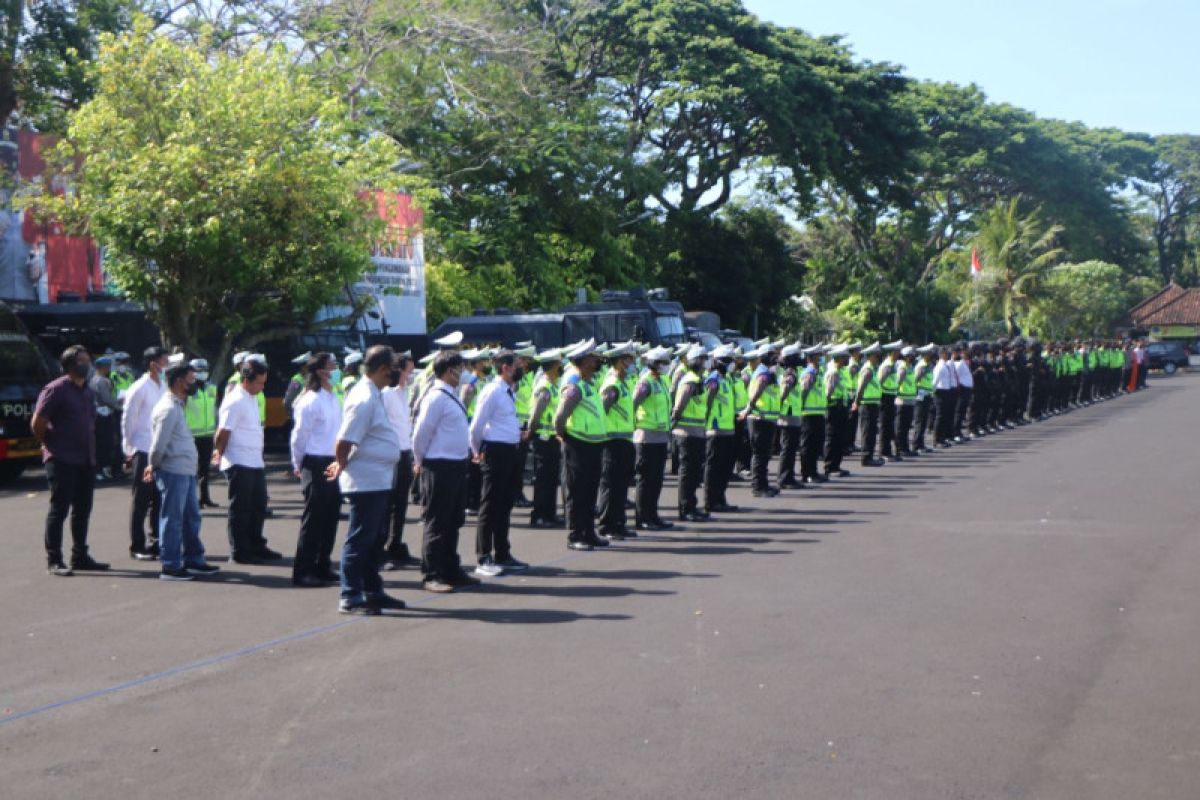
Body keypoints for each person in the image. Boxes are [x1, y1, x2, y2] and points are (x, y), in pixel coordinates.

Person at [326, 345, 406, 615]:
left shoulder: (374, 393)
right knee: (360, 539)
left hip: (378, 479)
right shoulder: (363, 397)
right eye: (395, 367)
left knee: (374, 540)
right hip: (366, 481)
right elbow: (344, 440)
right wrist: (342, 463)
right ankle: (350, 595)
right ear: (384, 369)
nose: (398, 372)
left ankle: (373, 590)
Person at [32, 345, 109, 576]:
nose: (87, 365)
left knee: (83, 510)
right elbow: (38, 423)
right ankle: (55, 559)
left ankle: (80, 555)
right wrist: (49, 444)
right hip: (61, 458)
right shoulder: (55, 389)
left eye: (88, 360)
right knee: (59, 509)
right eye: (82, 361)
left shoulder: (87, 390)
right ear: (69, 365)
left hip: (85, 459)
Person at [146, 361, 221, 581]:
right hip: (173, 471)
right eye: (190, 379)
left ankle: (193, 560)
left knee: (191, 517)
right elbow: (158, 446)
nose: (194, 382)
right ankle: (170, 566)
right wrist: (154, 465)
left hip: (185, 470)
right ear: (179, 381)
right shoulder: (168, 408)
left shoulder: (178, 405)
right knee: (173, 518)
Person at [413, 350, 479, 592]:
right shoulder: (436, 397)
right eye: (459, 368)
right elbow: (421, 434)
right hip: (438, 465)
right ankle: (432, 574)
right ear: (448, 371)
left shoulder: (451, 394)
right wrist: (419, 460)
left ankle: (451, 568)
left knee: (453, 521)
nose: (463, 372)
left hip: (455, 465)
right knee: (437, 521)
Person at [213, 357, 280, 564]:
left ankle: (256, 545)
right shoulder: (235, 400)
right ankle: (240, 551)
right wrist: (218, 453)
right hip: (238, 460)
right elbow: (223, 432)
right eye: (259, 382)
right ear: (247, 380)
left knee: (259, 505)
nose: (262, 386)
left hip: (255, 460)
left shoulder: (251, 397)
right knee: (240, 508)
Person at [468, 349, 529, 575]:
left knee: (505, 505)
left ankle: (503, 553)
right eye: (516, 365)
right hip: (495, 453)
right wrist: (476, 451)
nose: (520, 369)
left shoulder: (507, 391)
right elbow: (476, 426)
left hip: (510, 452)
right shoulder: (492, 391)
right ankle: (484, 557)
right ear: (505, 368)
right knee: (490, 506)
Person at [289, 352, 343, 587]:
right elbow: (299, 437)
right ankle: (303, 570)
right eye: (332, 366)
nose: (336, 369)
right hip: (315, 461)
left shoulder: (332, 397)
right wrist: (298, 463)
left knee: (330, 517)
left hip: (333, 461)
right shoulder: (309, 400)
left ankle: (323, 565)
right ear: (321, 371)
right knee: (314, 519)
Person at [554, 339, 609, 551]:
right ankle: (575, 535)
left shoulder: (588, 385)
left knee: (590, 490)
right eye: (593, 358)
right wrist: (563, 436)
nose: (597, 361)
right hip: (578, 444)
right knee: (577, 492)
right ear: (585, 361)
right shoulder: (575, 387)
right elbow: (559, 418)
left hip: (593, 445)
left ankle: (589, 532)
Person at [122, 346, 168, 560]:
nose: (167, 365)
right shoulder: (139, 387)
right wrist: (129, 449)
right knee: (141, 499)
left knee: (159, 499)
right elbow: (128, 419)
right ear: (153, 363)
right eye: (164, 360)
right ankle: (137, 546)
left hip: (160, 449)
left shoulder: (164, 385)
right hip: (142, 448)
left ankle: (157, 541)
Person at [380, 351, 419, 571]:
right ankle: (382, 550)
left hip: (404, 452)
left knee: (401, 503)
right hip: (390, 453)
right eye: (408, 371)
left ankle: (395, 544)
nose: (411, 375)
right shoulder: (387, 394)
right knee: (387, 504)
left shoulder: (404, 393)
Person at [597, 342, 638, 539]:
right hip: (612, 442)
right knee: (611, 485)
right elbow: (602, 410)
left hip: (624, 440)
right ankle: (607, 525)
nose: (633, 362)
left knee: (621, 485)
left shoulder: (623, 382)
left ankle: (619, 523)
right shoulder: (612, 384)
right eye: (629, 359)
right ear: (620, 362)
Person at [632, 346, 674, 531]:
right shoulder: (645, 382)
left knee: (657, 479)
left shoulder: (662, 381)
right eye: (662, 362)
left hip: (660, 436)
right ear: (653, 364)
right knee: (646, 480)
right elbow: (633, 405)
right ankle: (643, 517)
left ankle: (653, 514)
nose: (666, 365)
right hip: (646, 436)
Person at [671, 345, 712, 522]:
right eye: (703, 359)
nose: (706, 362)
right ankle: (686, 509)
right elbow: (679, 405)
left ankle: (692, 506)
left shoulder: (698, 379)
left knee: (694, 472)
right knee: (688, 473)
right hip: (687, 433)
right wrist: (675, 420)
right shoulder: (691, 380)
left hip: (696, 432)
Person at [526, 348, 564, 528]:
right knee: (543, 479)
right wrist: (530, 431)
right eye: (559, 364)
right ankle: (539, 515)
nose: (561, 366)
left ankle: (550, 513)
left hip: (552, 438)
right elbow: (535, 415)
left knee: (551, 478)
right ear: (553, 366)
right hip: (543, 439)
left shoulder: (553, 385)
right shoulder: (545, 388)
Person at [739, 344, 780, 497]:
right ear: (764, 357)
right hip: (760, 418)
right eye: (771, 354)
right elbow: (757, 392)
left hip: (766, 418)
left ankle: (764, 485)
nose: (775, 357)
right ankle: (758, 487)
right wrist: (748, 409)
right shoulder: (763, 373)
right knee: (760, 455)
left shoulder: (766, 372)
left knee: (764, 455)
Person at [704, 345, 739, 513]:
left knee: (725, 468)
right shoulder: (714, 380)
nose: (731, 363)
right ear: (718, 362)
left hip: (728, 429)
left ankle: (720, 498)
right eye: (727, 361)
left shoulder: (727, 380)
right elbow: (708, 404)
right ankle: (711, 501)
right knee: (714, 468)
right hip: (715, 430)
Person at [184, 358, 219, 508]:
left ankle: (205, 498)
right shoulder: (187, 389)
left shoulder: (212, 387)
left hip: (208, 434)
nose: (202, 373)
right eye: (199, 370)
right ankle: (191, 500)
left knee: (205, 468)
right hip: (191, 435)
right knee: (191, 469)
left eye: (205, 369)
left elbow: (215, 409)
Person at [774, 344, 804, 489]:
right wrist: (778, 405)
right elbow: (785, 390)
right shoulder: (790, 373)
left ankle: (788, 477)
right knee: (788, 448)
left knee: (790, 448)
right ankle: (785, 478)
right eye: (797, 356)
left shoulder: (791, 371)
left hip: (791, 415)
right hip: (788, 415)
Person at [797, 345, 828, 483]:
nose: (820, 358)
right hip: (808, 414)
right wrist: (800, 409)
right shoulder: (809, 373)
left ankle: (813, 471)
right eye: (817, 356)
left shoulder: (817, 372)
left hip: (817, 413)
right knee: (808, 445)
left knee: (815, 444)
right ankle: (807, 473)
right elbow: (803, 392)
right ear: (811, 358)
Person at [89, 354, 122, 481]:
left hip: (97, 413)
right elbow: (107, 399)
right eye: (107, 366)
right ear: (102, 367)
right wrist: (120, 407)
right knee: (104, 443)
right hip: (104, 414)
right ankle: (101, 469)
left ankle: (100, 469)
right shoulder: (101, 381)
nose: (109, 369)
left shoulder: (93, 379)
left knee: (99, 443)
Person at [852, 342, 884, 467]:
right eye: (876, 356)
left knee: (871, 431)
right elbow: (860, 388)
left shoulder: (872, 368)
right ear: (870, 356)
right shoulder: (868, 370)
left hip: (872, 404)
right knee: (867, 432)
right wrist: (856, 402)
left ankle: (870, 456)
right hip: (867, 405)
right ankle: (866, 457)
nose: (878, 358)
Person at [822, 344, 851, 479]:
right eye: (845, 358)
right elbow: (827, 393)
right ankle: (830, 466)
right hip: (834, 408)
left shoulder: (839, 371)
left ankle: (836, 466)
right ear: (839, 358)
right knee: (832, 438)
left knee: (839, 438)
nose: (847, 360)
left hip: (841, 407)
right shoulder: (833, 372)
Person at [878, 341, 903, 461]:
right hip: (885, 396)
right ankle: (884, 452)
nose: (899, 354)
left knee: (889, 425)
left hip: (890, 395)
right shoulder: (887, 365)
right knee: (885, 425)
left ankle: (887, 451)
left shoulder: (892, 364)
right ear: (892, 352)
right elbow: (880, 381)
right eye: (897, 351)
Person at [931, 347, 956, 448]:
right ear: (941, 354)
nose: (948, 355)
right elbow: (934, 381)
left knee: (944, 416)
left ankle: (942, 438)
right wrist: (932, 393)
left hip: (946, 392)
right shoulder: (940, 366)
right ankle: (937, 440)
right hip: (940, 392)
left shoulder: (945, 365)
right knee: (940, 417)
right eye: (946, 353)